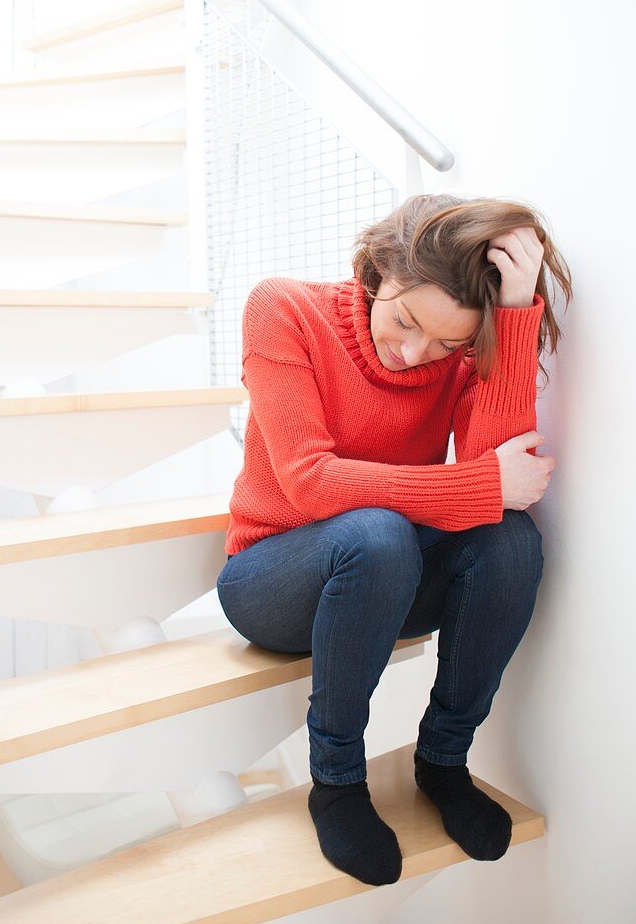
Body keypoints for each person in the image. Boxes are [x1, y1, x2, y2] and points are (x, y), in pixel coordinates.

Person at [216, 193, 572, 886]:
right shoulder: (283, 308)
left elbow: (491, 470)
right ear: (379, 269)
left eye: (447, 343)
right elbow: (309, 484)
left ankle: (443, 761)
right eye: (405, 321)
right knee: (377, 533)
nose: (414, 355)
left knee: (510, 540)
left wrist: (514, 313)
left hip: (387, 571)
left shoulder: (465, 352)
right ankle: (337, 780)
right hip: (270, 579)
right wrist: (480, 487)